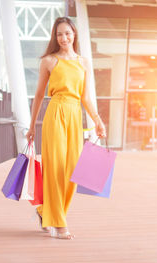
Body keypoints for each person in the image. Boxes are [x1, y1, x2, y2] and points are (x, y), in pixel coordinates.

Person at [26, 17, 106, 240]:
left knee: (72, 171)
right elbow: (40, 96)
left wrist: (98, 121)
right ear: (55, 37)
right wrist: (32, 126)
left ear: (74, 35)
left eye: (68, 34)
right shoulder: (49, 61)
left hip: (75, 116)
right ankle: (59, 223)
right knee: (55, 169)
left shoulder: (84, 62)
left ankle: (45, 212)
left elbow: (86, 97)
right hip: (55, 114)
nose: (64, 38)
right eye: (59, 34)